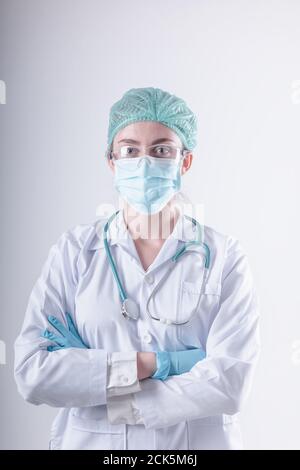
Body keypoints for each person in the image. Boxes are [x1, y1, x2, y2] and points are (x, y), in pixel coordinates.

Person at [14, 87, 260, 450]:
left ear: (184, 162)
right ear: (112, 161)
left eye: (161, 150)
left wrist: (99, 383)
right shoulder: (74, 252)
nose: (144, 162)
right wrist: (160, 363)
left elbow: (229, 382)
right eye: (130, 150)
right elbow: (33, 373)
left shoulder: (224, 256)